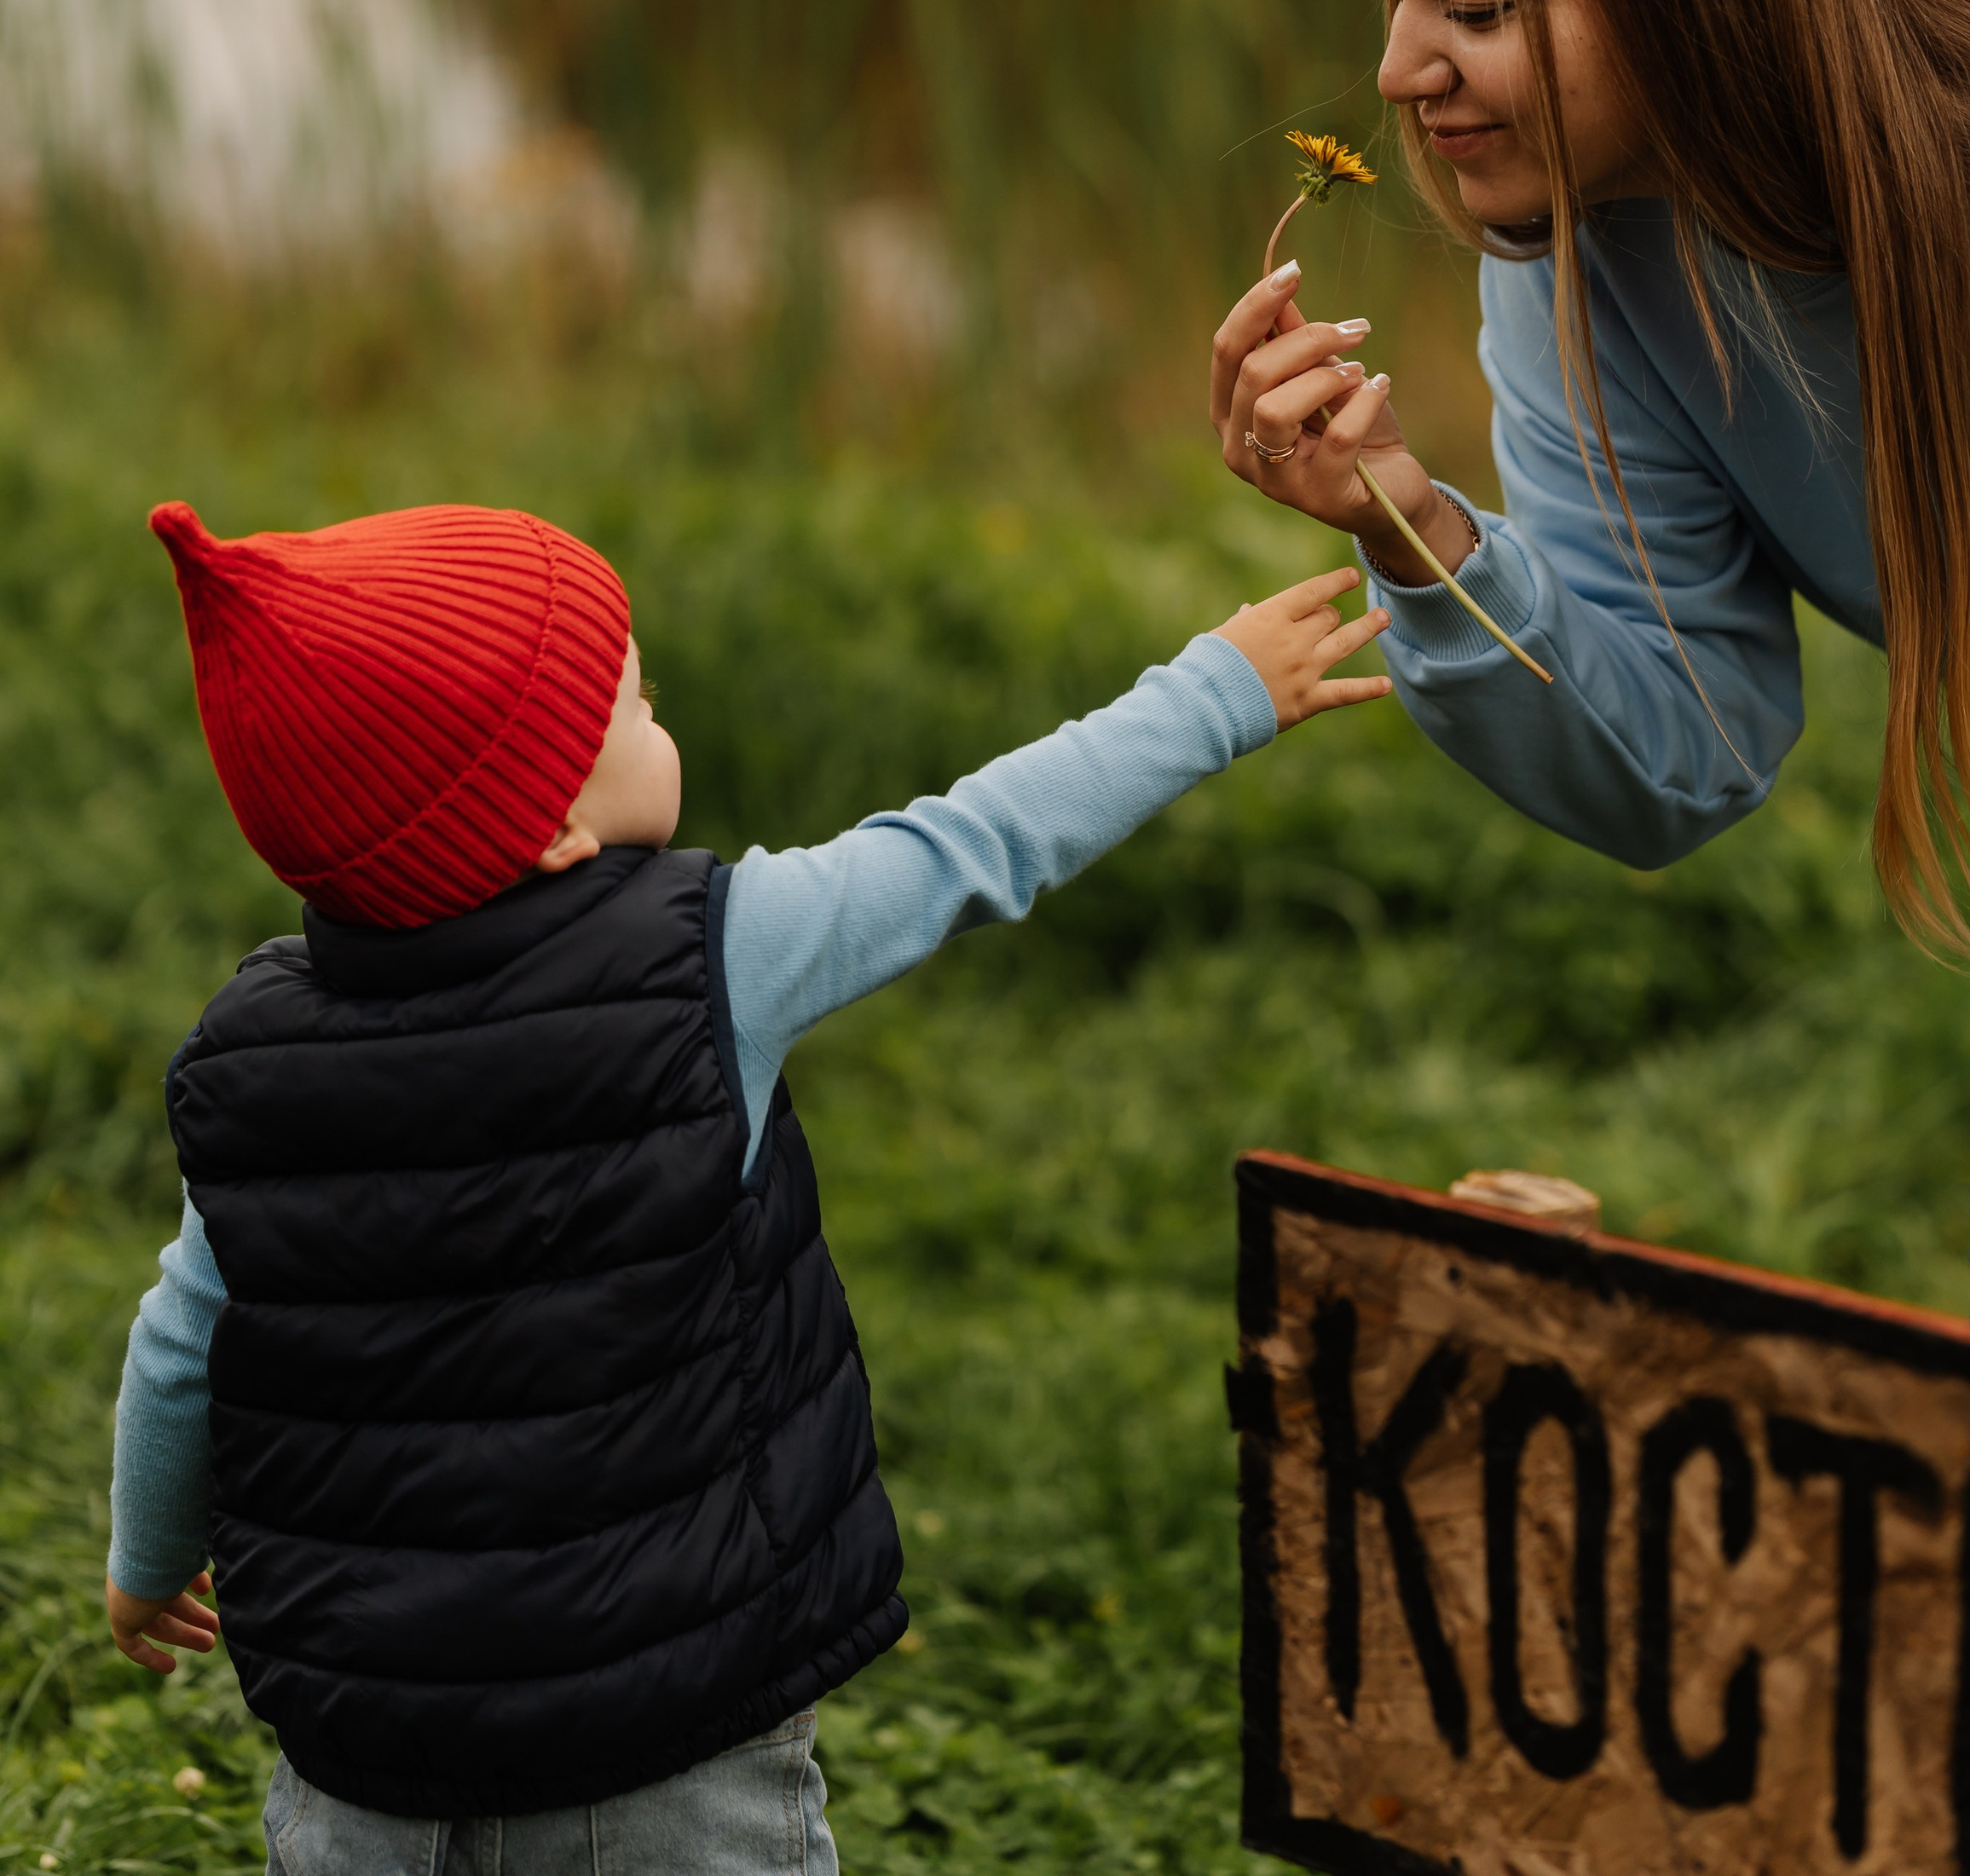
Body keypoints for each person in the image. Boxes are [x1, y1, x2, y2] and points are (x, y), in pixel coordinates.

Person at [104, 496, 1388, 1869]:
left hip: (364, 1771)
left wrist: (143, 1562)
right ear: (547, 833)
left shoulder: (255, 1074)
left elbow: (184, 1348)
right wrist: (1217, 695)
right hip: (666, 1750)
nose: (669, 723)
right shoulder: (711, 961)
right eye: (638, 709)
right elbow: (974, 843)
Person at [1212, 0, 1970, 1373]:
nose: (1397, 69)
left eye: (1471, 2)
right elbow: (1675, 741)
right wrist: (1407, 528)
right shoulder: (1583, 254)